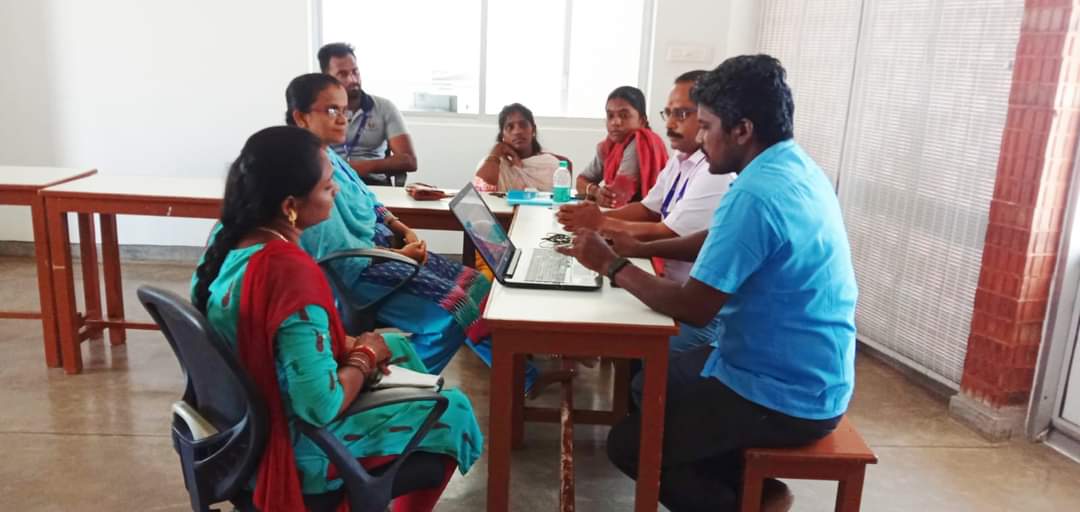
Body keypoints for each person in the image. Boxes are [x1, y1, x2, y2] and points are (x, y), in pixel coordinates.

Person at [556, 55, 858, 512]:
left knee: (630, 445)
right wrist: (634, 250)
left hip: (782, 392)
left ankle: (752, 503)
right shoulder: (794, 168)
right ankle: (747, 484)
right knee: (652, 383)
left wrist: (613, 266)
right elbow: (719, 242)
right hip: (813, 374)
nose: (698, 137)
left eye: (707, 125)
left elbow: (694, 307)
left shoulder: (754, 194)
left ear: (743, 130)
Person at [190, 126, 482, 512]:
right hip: (294, 446)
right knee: (455, 409)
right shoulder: (289, 273)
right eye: (328, 187)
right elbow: (318, 406)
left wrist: (357, 348)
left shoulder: (229, 240)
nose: (338, 191)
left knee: (393, 346)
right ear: (290, 205)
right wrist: (361, 359)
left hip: (244, 422)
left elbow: (278, 339)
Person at [283, 73, 538, 388]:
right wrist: (398, 254)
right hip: (358, 272)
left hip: (383, 254)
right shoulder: (304, 170)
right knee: (450, 318)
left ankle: (521, 378)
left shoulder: (331, 156)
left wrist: (398, 225)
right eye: (331, 111)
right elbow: (334, 250)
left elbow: (369, 200)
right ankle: (397, 387)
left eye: (344, 110)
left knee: (476, 286)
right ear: (301, 117)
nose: (342, 119)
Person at [557, 70, 734, 353]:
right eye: (669, 113)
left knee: (597, 318)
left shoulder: (715, 171)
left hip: (689, 303)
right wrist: (593, 217)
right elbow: (648, 209)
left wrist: (602, 221)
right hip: (663, 280)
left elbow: (666, 231)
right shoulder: (680, 157)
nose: (672, 124)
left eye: (684, 114)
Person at [319, 42, 417, 187]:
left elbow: (409, 160)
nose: (353, 79)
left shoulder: (384, 107)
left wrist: (364, 167)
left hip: (372, 183)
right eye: (343, 74)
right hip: (331, 182)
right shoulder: (317, 110)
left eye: (355, 72)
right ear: (327, 78)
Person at [575, 86, 669, 207]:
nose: (615, 122)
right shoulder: (609, 146)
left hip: (644, 220)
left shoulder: (641, 142)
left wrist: (595, 193)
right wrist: (595, 191)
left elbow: (616, 198)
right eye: (610, 116)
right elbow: (580, 180)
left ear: (642, 120)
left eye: (624, 115)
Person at [473, 103, 571, 192]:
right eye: (510, 127)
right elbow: (483, 187)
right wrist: (496, 151)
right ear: (502, 135)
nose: (517, 131)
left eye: (523, 125)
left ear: (533, 130)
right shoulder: (494, 163)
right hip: (503, 212)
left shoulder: (549, 164)